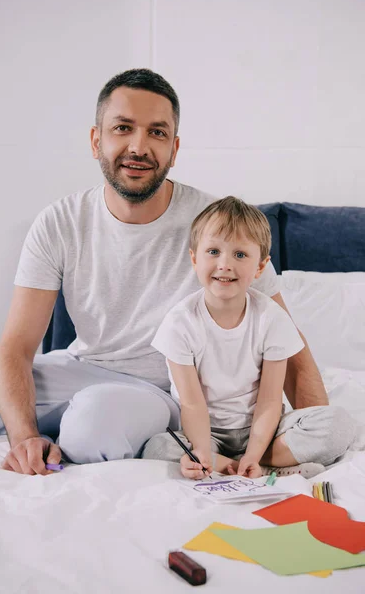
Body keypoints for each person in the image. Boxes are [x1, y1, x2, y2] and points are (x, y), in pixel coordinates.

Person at [0, 68, 329, 476]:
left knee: (92, 430)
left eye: (157, 133)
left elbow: (288, 344)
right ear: (95, 140)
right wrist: (23, 436)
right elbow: (16, 347)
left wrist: (312, 428)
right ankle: (56, 426)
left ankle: (103, 428)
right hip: (80, 369)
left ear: (173, 149)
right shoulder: (60, 221)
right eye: (123, 128)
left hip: (168, 389)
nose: (139, 146)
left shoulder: (218, 228)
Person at [142, 197, 354, 479]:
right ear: (195, 258)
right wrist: (202, 450)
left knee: (338, 425)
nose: (225, 264)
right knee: (156, 448)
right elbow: (192, 404)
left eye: (240, 255)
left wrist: (254, 452)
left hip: (265, 428)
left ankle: (247, 464)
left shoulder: (272, 318)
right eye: (213, 251)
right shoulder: (179, 323)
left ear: (260, 267)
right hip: (206, 430)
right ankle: (261, 467)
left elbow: (268, 400)